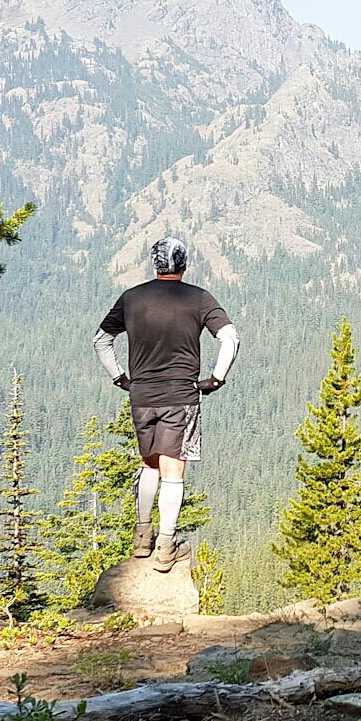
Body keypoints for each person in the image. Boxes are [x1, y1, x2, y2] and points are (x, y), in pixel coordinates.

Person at [92, 237, 240, 572]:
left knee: (149, 463)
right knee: (174, 469)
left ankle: (141, 536)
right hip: (181, 397)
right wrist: (216, 378)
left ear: (154, 264)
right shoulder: (199, 299)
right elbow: (231, 338)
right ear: (185, 264)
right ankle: (165, 545)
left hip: (142, 395)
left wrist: (120, 377)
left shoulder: (132, 298)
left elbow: (101, 340)